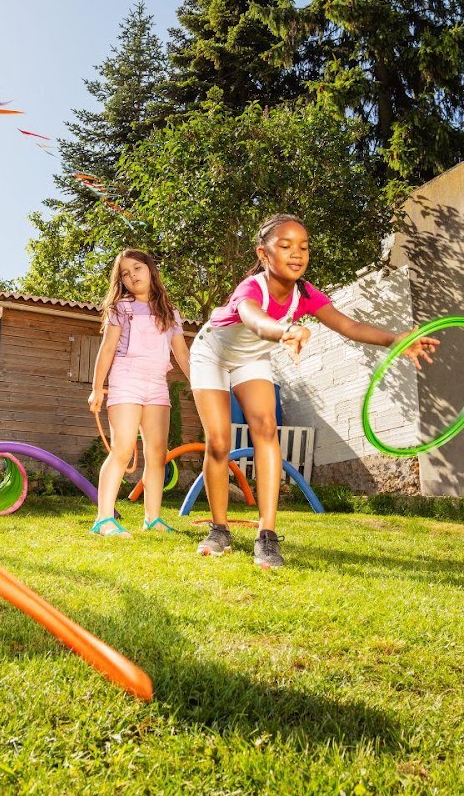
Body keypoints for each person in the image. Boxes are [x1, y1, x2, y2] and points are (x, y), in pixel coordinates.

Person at [188, 213, 438, 569]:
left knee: (266, 429)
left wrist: (395, 340)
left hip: (251, 358)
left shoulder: (305, 294)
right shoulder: (251, 289)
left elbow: (348, 326)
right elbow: (255, 321)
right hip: (212, 352)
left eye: (303, 247)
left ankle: (266, 535)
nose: (297, 253)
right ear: (263, 254)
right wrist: (285, 331)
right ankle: (219, 529)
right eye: (285, 245)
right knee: (218, 442)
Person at [87, 249, 192, 536]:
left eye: (137, 268)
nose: (132, 276)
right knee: (122, 449)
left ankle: (153, 519)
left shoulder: (170, 312)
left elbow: (182, 354)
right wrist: (97, 388)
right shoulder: (121, 308)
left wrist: (198, 384)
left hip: (157, 384)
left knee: (157, 454)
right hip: (126, 380)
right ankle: (104, 520)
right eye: (125, 273)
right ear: (120, 280)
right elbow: (108, 348)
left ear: (149, 269)